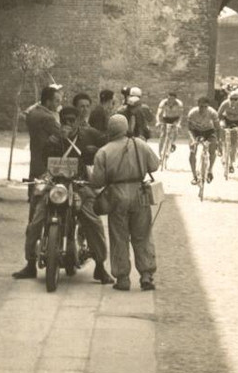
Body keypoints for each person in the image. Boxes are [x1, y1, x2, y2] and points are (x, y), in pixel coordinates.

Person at [12, 104, 113, 284]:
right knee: (36, 220)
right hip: (55, 185)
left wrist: (96, 154)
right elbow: (44, 159)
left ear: (78, 121)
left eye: (71, 120)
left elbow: (108, 142)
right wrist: (55, 142)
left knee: (92, 220)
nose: (68, 123)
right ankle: (30, 263)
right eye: (64, 120)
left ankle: (100, 266)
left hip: (80, 184)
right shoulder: (54, 139)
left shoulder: (89, 135)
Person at [90, 114, 160, 291]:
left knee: (119, 236)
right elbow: (154, 165)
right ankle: (146, 275)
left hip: (117, 195)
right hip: (139, 193)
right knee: (142, 235)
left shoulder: (104, 151)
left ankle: (123, 278)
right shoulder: (140, 144)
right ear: (126, 127)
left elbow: (97, 181)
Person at [186, 97, 221, 183]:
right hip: (196, 131)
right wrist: (193, 140)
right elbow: (189, 129)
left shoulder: (212, 113)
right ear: (198, 105)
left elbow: (218, 128)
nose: (203, 109)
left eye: (205, 106)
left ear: (208, 106)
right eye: (201, 106)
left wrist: (218, 141)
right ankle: (194, 176)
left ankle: (210, 170)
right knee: (192, 151)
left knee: (212, 149)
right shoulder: (192, 113)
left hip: (209, 131)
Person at [216, 89, 238, 171]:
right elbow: (218, 115)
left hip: (237, 122)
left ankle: (231, 162)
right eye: (232, 99)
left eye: (236, 99)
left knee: (234, 143)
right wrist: (221, 123)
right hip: (226, 120)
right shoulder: (225, 103)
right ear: (229, 98)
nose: (233, 101)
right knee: (221, 128)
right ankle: (220, 146)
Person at [155, 88, 184, 158]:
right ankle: (160, 153)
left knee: (175, 131)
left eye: (172, 99)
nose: (170, 100)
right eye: (169, 99)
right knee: (163, 135)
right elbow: (158, 113)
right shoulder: (163, 102)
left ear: (175, 99)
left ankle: (172, 143)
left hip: (175, 118)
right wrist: (158, 121)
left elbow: (181, 115)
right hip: (166, 118)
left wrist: (179, 123)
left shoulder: (179, 104)